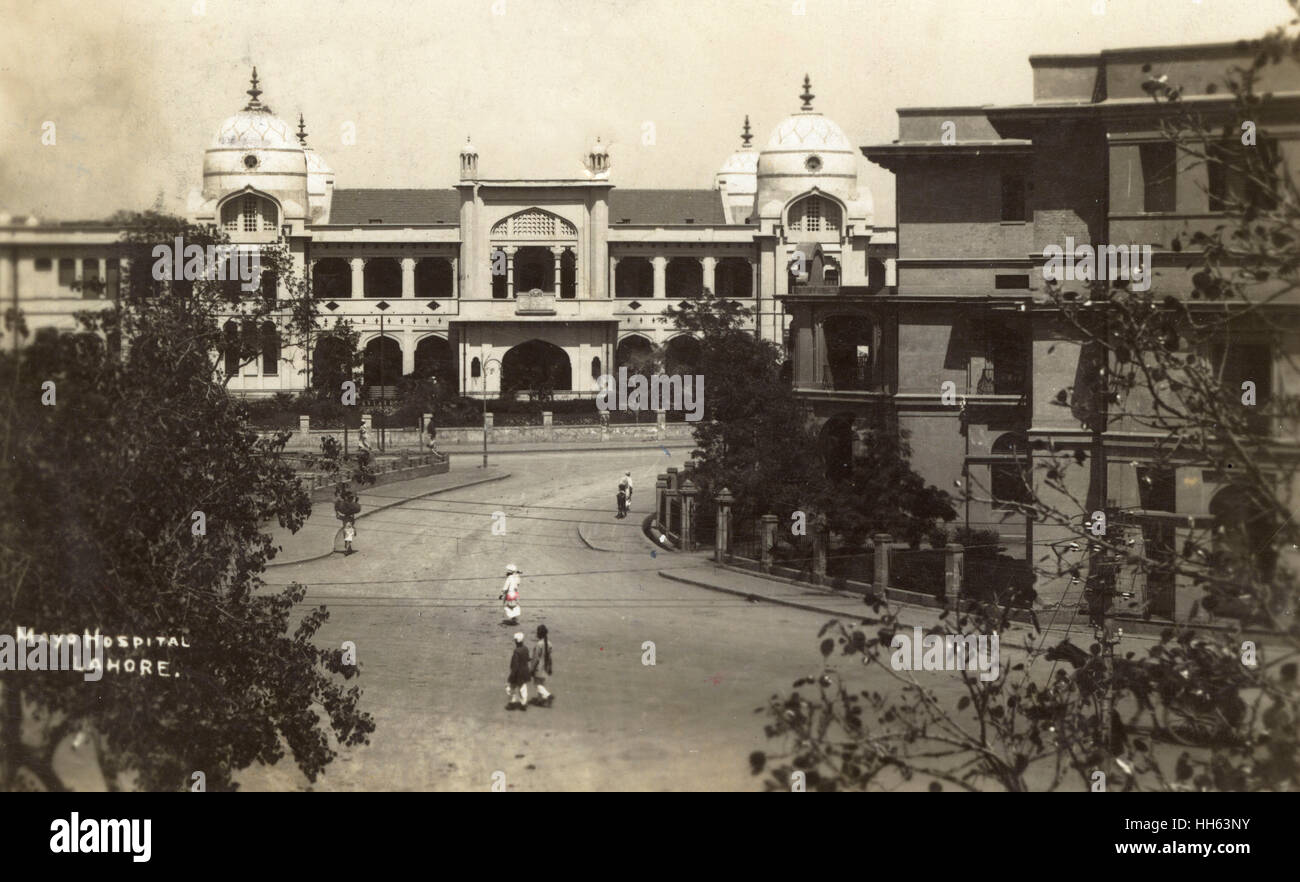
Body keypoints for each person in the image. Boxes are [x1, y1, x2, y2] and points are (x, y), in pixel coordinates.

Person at [530, 624, 554, 707]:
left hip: (538, 667)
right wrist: (550, 667)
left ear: (539, 634)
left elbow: (536, 658)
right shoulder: (549, 643)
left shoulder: (539, 644)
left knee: (537, 684)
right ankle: (540, 700)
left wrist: (532, 669)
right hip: (545, 666)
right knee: (541, 683)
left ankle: (547, 695)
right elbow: (550, 657)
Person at [506, 632, 531, 711]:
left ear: (516, 641)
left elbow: (515, 665)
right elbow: (527, 658)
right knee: (523, 688)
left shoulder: (516, 651)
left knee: (511, 688)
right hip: (525, 672)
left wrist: (511, 675)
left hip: (517, 673)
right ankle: (523, 703)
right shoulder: (526, 648)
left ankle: (512, 703)